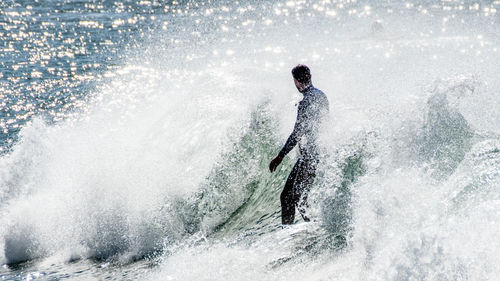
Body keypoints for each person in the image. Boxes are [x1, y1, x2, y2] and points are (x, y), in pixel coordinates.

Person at [269, 64, 329, 225]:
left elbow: (297, 133)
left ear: (296, 81)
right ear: (310, 76)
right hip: (314, 153)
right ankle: (288, 232)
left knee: (297, 197)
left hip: (310, 155)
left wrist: (280, 156)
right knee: (289, 196)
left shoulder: (306, 101)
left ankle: (317, 227)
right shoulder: (321, 96)